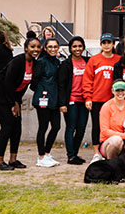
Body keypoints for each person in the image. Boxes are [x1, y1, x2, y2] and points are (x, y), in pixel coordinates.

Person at [30, 38, 65, 168]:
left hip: (54, 99)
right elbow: (34, 82)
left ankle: (47, 153)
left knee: (56, 126)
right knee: (43, 127)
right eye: (50, 47)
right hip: (43, 99)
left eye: (55, 47)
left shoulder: (57, 62)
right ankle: (41, 157)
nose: (52, 49)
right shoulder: (41, 62)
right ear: (45, 48)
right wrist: (42, 91)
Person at [82, 35, 120, 150]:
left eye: (109, 42)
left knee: (113, 126)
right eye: (104, 43)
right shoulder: (94, 60)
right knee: (97, 126)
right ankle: (96, 152)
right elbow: (87, 80)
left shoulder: (119, 59)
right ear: (101, 45)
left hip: (113, 100)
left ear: (113, 44)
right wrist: (88, 98)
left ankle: (109, 149)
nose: (107, 45)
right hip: (97, 99)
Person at [59, 36, 90, 164]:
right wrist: (62, 103)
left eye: (80, 46)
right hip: (71, 100)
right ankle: (70, 156)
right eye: (74, 46)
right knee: (71, 127)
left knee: (81, 128)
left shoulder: (88, 61)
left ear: (83, 47)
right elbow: (61, 85)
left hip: (84, 100)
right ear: (70, 48)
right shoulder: (66, 64)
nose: (77, 49)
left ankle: (75, 154)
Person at [95, 80, 125, 161]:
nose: (120, 93)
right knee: (116, 140)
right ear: (112, 91)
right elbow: (104, 131)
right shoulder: (106, 107)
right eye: (117, 90)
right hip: (108, 143)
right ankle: (110, 165)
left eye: (123, 90)